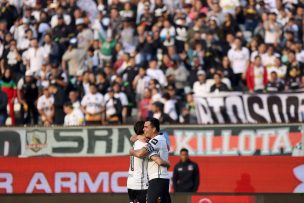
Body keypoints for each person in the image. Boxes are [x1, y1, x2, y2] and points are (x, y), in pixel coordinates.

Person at [130, 118, 171, 203]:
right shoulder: (159, 139)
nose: (144, 129)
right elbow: (132, 138)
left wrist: (132, 151)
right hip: (162, 179)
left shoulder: (156, 141)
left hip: (157, 179)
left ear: (154, 129)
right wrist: (138, 137)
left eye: (146, 127)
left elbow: (140, 153)